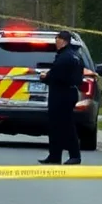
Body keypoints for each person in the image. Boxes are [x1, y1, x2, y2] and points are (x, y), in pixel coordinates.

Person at [38, 30, 84, 165]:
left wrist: (45, 77)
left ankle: (74, 155)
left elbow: (56, 76)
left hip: (61, 94)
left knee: (64, 126)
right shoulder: (75, 56)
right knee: (57, 125)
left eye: (57, 39)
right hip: (69, 93)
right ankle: (55, 155)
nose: (55, 42)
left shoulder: (64, 57)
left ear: (63, 40)